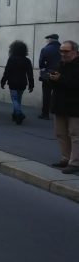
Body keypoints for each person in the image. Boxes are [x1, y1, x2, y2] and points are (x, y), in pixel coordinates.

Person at [48, 41, 79, 174]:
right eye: (61, 51)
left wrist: (60, 79)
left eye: (66, 51)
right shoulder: (61, 64)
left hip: (75, 106)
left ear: (75, 52)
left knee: (75, 135)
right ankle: (66, 158)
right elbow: (57, 83)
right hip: (59, 105)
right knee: (60, 133)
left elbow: (75, 85)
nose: (62, 54)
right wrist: (51, 79)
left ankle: (75, 162)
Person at [0, 40, 34, 125]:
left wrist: (3, 81)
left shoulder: (11, 59)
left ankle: (19, 114)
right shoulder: (27, 60)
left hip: (13, 82)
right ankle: (15, 115)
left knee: (14, 99)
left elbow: (7, 72)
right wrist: (31, 85)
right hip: (22, 83)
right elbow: (30, 74)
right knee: (18, 99)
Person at [38, 34, 61, 120]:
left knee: (46, 94)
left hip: (48, 74)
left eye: (47, 39)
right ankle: (58, 113)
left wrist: (44, 70)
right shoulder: (62, 49)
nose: (47, 41)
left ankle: (45, 114)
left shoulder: (45, 49)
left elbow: (41, 63)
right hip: (60, 74)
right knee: (59, 94)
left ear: (50, 39)